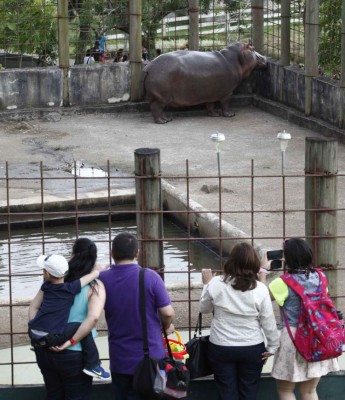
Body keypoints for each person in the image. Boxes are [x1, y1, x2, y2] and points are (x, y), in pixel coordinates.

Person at [99, 232, 175, 400]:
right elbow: (168, 312)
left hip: (120, 358)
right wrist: (165, 325)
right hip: (150, 358)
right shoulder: (150, 277)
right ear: (137, 253)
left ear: (112, 254)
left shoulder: (102, 279)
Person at [29, 238, 108, 399]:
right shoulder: (95, 285)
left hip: (44, 349)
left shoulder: (51, 283)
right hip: (76, 353)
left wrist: (35, 329)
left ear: (72, 255)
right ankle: (94, 365)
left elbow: (33, 307)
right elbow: (92, 319)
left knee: (53, 394)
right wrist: (70, 342)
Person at [200, 242, 280, 400]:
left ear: (231, 261)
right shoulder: (260, 288)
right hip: (252, 346)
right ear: (254, 263)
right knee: (249, 392)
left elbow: (204, 308)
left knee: (226, 392)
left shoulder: (216, 284)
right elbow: (268, 321)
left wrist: (207, 284)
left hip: (221, 345)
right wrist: (272, 346)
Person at [267, 238, 339, 400]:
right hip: (318, 336)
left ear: (288, 258)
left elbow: (260, 299)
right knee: (309, 391)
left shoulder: (281, 283)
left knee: (286, 390)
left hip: (292, 338)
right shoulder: (321, 277)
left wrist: (263, 275)